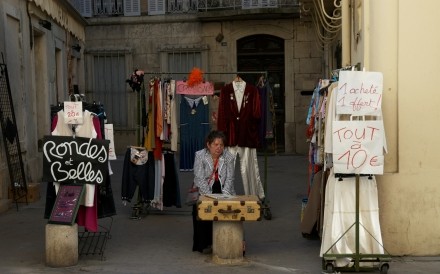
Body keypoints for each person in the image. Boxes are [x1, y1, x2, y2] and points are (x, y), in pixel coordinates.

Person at [192, 130, 236, 253]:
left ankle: (226, 242)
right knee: (202, 209)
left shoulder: (229, 156)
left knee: (228, 210)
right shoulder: (200, 155)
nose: (219, 148)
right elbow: (199, 178)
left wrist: (225, 196)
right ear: (208, 145)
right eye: (215, 145)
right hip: (205, 189)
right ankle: (204, 243)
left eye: (221, 145)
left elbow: (230, 178)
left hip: (223, 189)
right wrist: (209, 197)